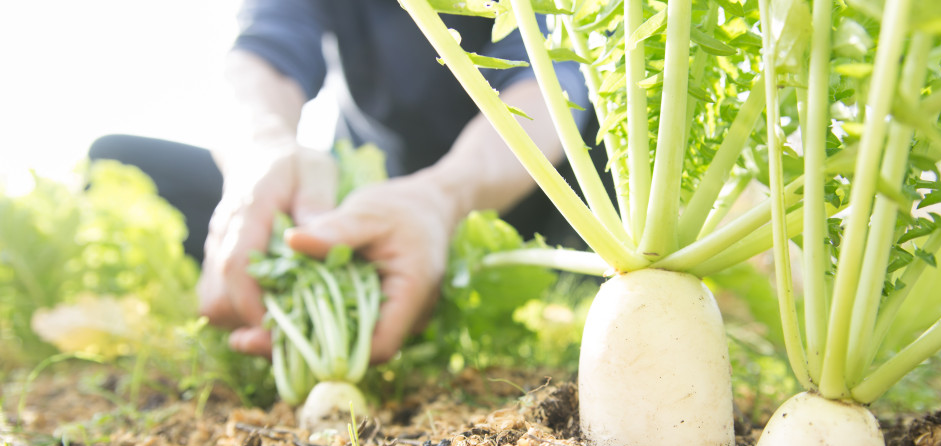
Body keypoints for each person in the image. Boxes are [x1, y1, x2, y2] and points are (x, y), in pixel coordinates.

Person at [90, 0, 596, 364]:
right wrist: (260, 153)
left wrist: (443, 196)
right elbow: (263, 54)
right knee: (117, 159)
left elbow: (551, 89)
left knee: (599, 211)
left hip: (519, 196)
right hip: (367, 203)